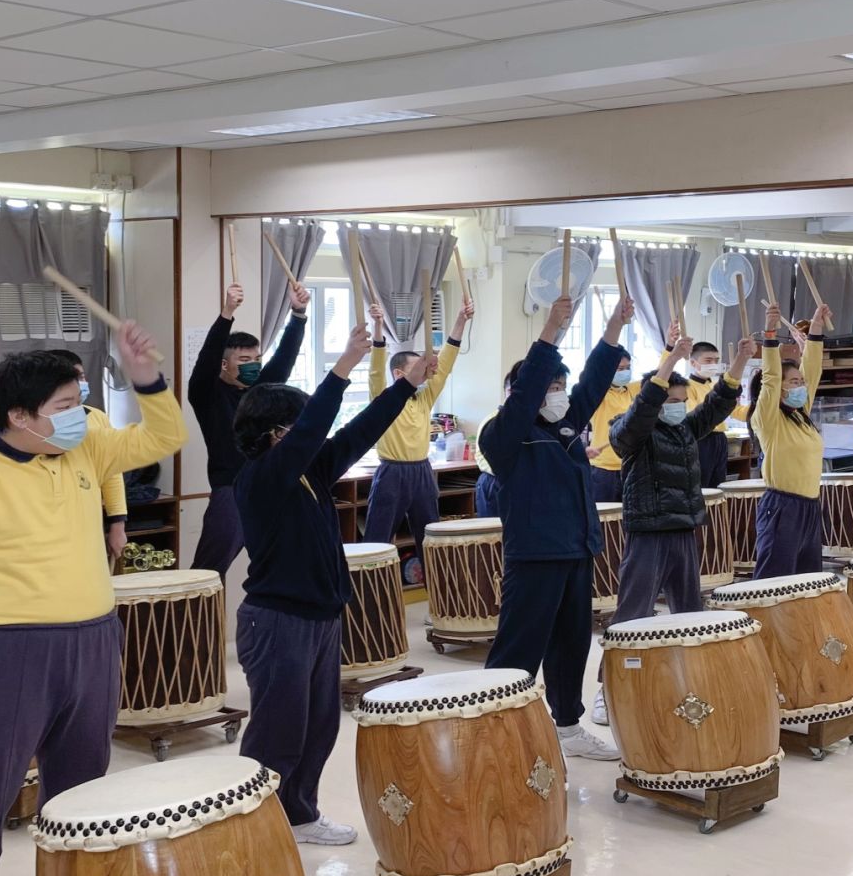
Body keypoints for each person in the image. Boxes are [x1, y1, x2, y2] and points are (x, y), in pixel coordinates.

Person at [0, 322, 185, 876]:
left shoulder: (86, 440)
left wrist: (145, 376)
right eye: (64, 406)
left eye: (79, 401)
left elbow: (166, 434)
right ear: (19, 416)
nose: (78, 414)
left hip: (92, 641)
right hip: (7, 650)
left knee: (82, 804)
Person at [231, 324, 431, 846]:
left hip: (319, 618)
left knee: (319, 727)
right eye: (296, 425)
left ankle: (298, 815)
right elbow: (316, 424)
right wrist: (343, 366)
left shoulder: (309, 471)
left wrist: (406, 387)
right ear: (276, 432)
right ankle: (260, 823)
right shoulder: (262, 476)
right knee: (278, 731)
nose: (309, 432)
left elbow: (357, 432)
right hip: (278, 621)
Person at [481, 292, 633, 761]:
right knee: (520, 645)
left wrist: (612, 329)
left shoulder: (565, 428)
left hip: (575, 551)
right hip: (534, 556)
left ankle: (567, 726)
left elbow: (593, 381)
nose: (558, 394)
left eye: (559, 386)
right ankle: (494, 726)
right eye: (550, 386)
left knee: (571, 647)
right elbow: (528, 388)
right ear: (520, 394)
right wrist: (550, 331)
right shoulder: (504, 435)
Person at [589, 331, 755, 725]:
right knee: (633, 611)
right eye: (672, 401)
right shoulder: (627, 430)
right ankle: (608, 689)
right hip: (648, 530)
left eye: (682, 402)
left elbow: (716, 404)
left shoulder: (683, 430)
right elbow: (644, 409)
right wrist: (671, 362)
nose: (679, 408)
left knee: (690, 610)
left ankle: (693, 679)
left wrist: (738, 363)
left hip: (683, 528)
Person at [187, 280, 309, 575]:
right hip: (230, 489)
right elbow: (207, 357)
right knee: (209, 571)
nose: (253, 365)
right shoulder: (207, 392)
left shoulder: (261, 391)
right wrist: (227, 312)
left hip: (268, 485)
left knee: (277, 561)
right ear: (225, 365)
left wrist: (298, 315)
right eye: (244, 359)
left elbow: (285, 358)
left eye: (256, 359)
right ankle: (197, 621)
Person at [362, 295, 475, 543]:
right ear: (399, 374)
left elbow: (444, 363)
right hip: (392, 472)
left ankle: (435, 581)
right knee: (377, 538)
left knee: (431, 538)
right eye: (420, 369)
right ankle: (368, 582)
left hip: (422, 470)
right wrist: (378, 326)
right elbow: (376, 370)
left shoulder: (423, 398)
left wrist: (460, 321)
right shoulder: (383, 399)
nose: (426, 374)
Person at [749, 302, 829, 579]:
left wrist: (817, 328)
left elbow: (813, 372)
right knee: (774, 580)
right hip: (782, 506)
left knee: (807, 580)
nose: (801, 386)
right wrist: (770, 337)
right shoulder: (769, 420)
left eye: (800, 382)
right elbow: (770, 379)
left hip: (809, 505)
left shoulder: (800, 416)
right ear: (779, 388)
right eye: (794, 382)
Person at [47, 348, 129, 563]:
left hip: (89, 518)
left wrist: (117, 524)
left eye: (81, 376)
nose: (80, 382)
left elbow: (112, 473)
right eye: (73, 377)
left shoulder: (97, 418)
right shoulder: (41, 423)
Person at [686, 340, 749, 488]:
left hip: (719, 439)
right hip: (702, 439)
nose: (713, 364)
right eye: (708, 360)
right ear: (693, 363)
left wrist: (757, 409)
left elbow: (736, 411)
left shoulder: (714, 386)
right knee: (702, 484)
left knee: (718, 484)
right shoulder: (687, 386)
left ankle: (716, 511)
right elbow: (697, 417)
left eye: (716, 360)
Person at [584, 346, 635, 503]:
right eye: (620, 369)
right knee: (605, 520)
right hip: (603, 468)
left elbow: (658, 376)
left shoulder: (631, 391)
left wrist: (670, 347)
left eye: (628, 368)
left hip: (629, 465)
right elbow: (589, 379)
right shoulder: (599, 395)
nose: (625, 372)